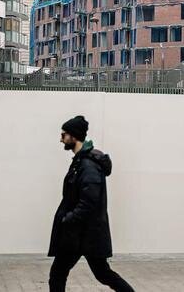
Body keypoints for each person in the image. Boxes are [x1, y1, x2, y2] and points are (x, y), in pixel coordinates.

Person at [48, 115, 135, 292]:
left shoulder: (88, 166)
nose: (61, 138)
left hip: (84, 234)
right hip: (80, 234)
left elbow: (89, 202)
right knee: (94, 273)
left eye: (64, 134)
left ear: (73, 136)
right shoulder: (80, 162)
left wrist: (68, 219)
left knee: (94, 273)